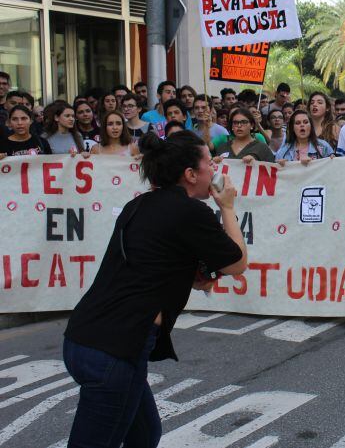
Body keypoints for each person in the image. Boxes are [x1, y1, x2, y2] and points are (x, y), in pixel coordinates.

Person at [63, 131, 247, 447]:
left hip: (88, 338)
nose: (214, 169)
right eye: (208, 162)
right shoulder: (191, 211)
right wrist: (227, 207)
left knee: (144, 434)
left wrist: (192, 275)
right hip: (114, 349)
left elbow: (152, 261)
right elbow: (237, 263)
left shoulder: (140, 204)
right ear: (190, 175)